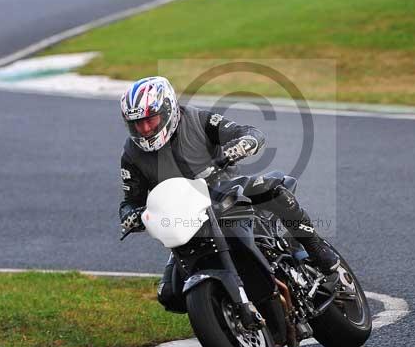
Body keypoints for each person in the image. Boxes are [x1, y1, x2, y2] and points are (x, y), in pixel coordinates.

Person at [119, 76, 339, 311]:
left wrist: (240, 146)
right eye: (137, 123)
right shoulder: (132, 155)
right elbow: (130, 202)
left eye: (150, 120)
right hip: (184, 218)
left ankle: (315, 246)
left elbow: (250, 133)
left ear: (168, 110)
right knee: (170, 295)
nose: (144, 129)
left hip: (226, 191)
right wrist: (131, 216)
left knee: (275, 190)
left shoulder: (198, 120)